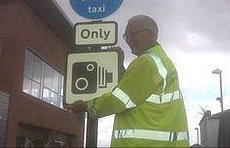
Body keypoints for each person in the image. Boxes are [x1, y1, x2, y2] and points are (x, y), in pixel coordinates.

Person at [68, 15, 189, 147]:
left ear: (150, 34)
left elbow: (119, 99)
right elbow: (136, 92)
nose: (128, 39)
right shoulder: (161, 60)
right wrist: (120, 67)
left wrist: (87, 106)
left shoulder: (147, 62)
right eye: (126, 35)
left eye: (131, 33)